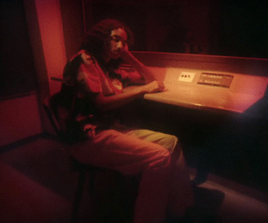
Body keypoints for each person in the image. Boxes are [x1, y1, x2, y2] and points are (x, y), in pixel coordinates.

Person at [58, 19, 193, 223]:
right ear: (101, 38)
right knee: (158, 157)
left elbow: (151, 79)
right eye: (115, 39)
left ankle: (179, 209)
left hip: (111, 129)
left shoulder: (111, 67)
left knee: (171, 142)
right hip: (86, 137)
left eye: (124, 42)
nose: (120, 45)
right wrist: (142, 90)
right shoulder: (85, 59)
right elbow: (102, 103)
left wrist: (128, 55)